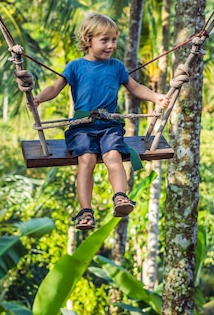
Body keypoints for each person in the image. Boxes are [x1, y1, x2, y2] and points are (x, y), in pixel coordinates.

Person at [32, 12, 170, 230]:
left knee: (113, 156)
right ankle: (86, 211)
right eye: (104, 40)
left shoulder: (116, 67)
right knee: (86, 160)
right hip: (82, 127)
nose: (111, 45)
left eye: (114, 40)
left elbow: (135, 88)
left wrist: (156, 97)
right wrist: (39, 97)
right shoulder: (75, 66)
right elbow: (55, 88)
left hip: (109, 126)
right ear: (88, 41)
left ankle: (121, 197)